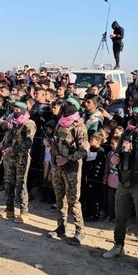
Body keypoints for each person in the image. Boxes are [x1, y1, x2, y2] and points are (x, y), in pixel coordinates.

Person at [103, 102, 138, 270]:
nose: (135, 119)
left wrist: (133, 152)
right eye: (134, 115)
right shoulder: (127, 132)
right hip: (123, 180)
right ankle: (118, 244)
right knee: (120, 216)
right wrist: (116, 157)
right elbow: (118, 152)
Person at [46, 97, 89, 244]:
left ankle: (79, 231)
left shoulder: (79, 127)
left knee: (73, 201)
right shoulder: (60, 122)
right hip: (57, 167)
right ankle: (61, 227)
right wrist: (50, 144)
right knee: (59, 198)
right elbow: (58, 141)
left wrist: (68, 158)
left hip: (71, 169)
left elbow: (84, 151)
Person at [0, 101, 37, 222]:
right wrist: (4, 145)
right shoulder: (13, 123)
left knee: (21, 184)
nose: (14, 112)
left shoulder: (29, 124)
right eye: (14, 110)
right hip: (10, 157)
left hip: (22, 158)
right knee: (8, 182)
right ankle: (9, 209)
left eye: (17, 110)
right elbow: (9, 137)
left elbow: (28, 143)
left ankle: (23, 212)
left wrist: (13, 148)